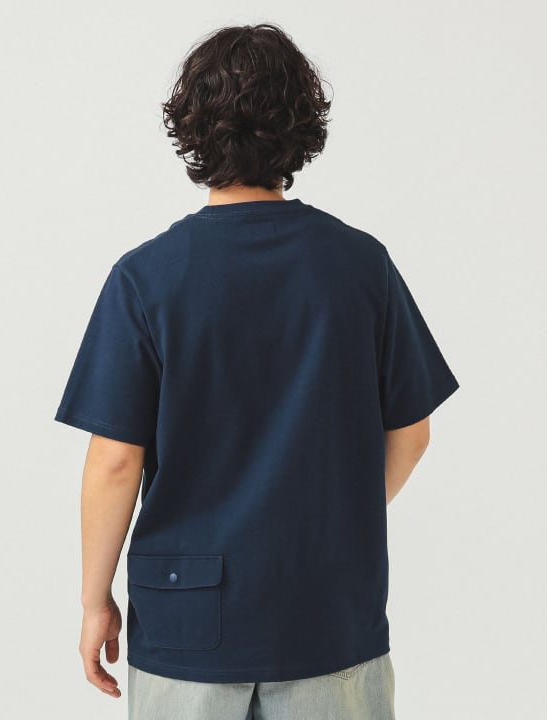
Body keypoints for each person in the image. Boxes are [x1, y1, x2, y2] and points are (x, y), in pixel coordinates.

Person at [54, 22, 460, 720]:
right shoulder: (361, 266)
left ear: (192, 128)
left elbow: (116, 461)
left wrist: (95, 602)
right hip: (329, 612)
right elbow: (412, 433)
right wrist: (334, 519)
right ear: (300, 128)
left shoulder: (146, 278)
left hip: (185, 623)